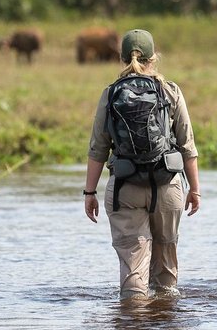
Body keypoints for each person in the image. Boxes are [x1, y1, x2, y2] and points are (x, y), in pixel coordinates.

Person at [84, 29, 201, 300]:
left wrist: (89, 192)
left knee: (133, 267)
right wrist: (194, 189)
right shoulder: (170, 90)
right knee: (166, 272)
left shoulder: (111, 93)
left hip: (125, 187)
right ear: (153, 57)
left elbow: (98, 147)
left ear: (122, 58)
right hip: (167, 183)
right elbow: (187, 144)